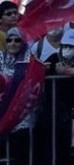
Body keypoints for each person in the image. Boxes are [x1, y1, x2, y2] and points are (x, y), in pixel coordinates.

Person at [0, 28, 34, 165]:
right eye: (9, 40)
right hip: (2, 114)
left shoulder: (30, 61)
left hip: (21, 118)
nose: (13, 43)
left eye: (17, 40)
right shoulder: (0, 58)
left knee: (20, 155)